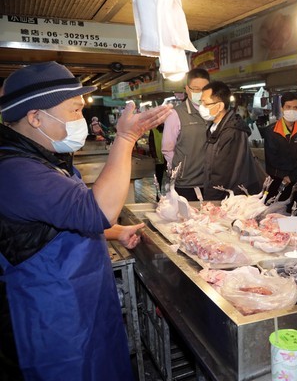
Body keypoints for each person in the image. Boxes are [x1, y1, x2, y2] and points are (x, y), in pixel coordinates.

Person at [0, 61, 171, 380]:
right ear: (35, 117)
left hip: (85, 307)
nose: (80, 120)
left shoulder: (47, 158)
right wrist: (126, 138)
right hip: (54, 325)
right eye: (74, 111)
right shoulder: (15, 172)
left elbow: (67, 220)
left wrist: (116, 232)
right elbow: (98, 210)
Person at [201, 81, 261, 201]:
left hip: (231, 199)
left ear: (220, 106)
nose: (201, 107)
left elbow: (223, 172)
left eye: (205, 103)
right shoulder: (215, 127)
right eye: (201, 102)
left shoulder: (232, 132)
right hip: (222, 196)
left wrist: (211, 201)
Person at [161, 68, 210, 201]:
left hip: (211, 182)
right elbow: (167, 148)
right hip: (186, 184)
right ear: (187, 89)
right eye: (195, 89)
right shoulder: (175, 114)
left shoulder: (214, 112)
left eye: (204, 88)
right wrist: (180, 171)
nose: (200, 93)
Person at [264, 92, 297, 207]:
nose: (292, 110)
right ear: (282, 109)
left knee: (293, 215)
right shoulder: (271, 131)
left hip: (295, 180)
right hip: (275, 181)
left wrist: (292, 177)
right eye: (288, 107)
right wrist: (296, 162)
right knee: (272, 216)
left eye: (295, 107)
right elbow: (272, 159)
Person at [148, 123, 166, 200]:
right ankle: (158, 195)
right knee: (159, 178)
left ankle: (169, 195)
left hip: (168, 158)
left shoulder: (168, 128)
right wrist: (154, 156)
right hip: (159, 159)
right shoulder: (153, 131)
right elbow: (151, 144)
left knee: (170, 178)